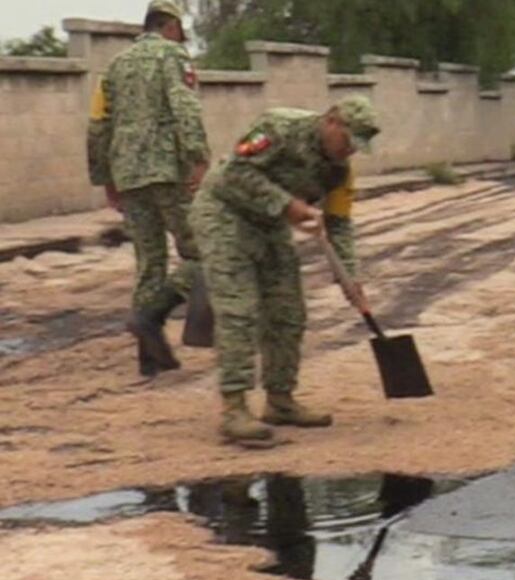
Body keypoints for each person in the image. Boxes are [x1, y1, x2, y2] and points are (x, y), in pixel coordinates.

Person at [189, 95, 378, 445]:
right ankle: (234, 410)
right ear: (331, 121)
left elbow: (339, 223)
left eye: (357, 146)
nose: (349, 150)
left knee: (288, 311)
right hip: (224, 213)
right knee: (239, 311)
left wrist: (350, 278)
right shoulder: (280, 127)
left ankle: (280, 401)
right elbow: (236, 172)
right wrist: (287, 205)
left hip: (270, 224)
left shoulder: (339, 170)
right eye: (347, 140)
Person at [86, 0, 210, 377]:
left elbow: (98, 126)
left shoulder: (114, 67)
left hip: (128, 174)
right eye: (180, 30)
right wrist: (198, 156)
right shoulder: (173, 56)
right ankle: (153, 318)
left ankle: (149, 357)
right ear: (170, 25)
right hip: (169, 171)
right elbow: (185, 107)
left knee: (149, 262)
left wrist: (105, 178)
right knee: (203, 252)